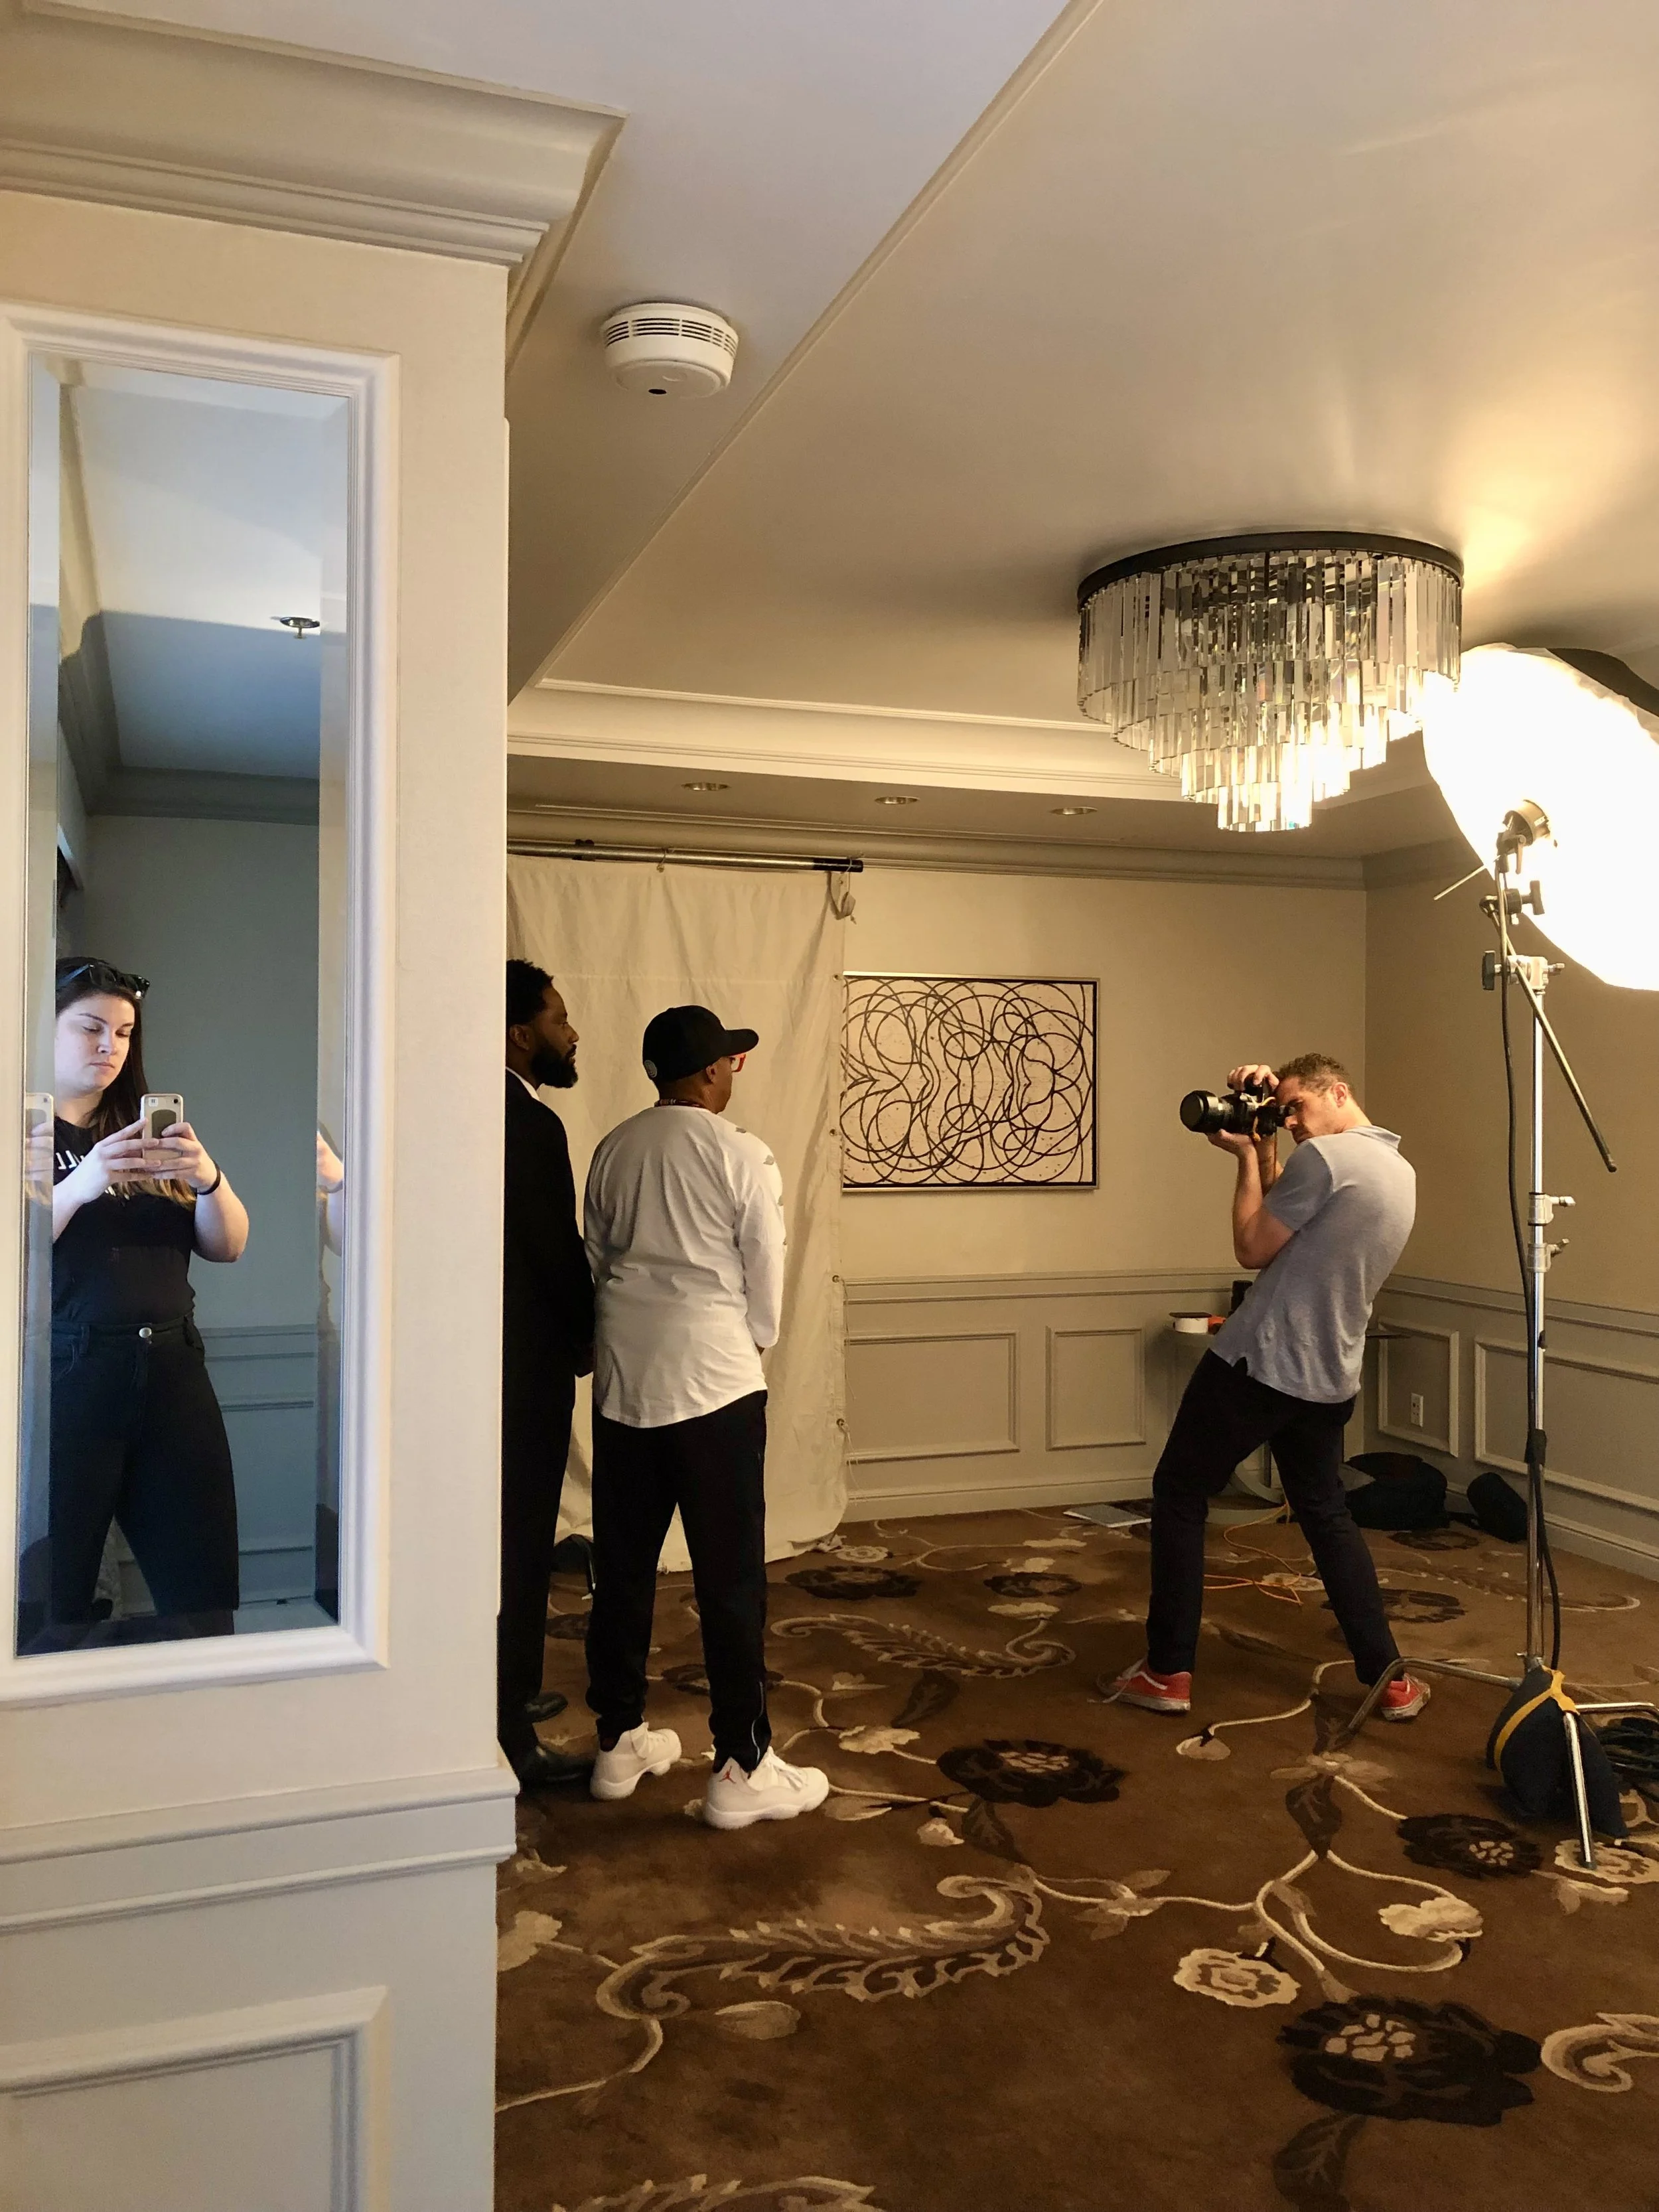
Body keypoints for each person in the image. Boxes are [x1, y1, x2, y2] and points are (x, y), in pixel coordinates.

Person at [1112, 1053, 1428, 1720]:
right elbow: (1295, 1215)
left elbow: (1255, 1248)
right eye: (1282, 1113)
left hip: (1257, 1365)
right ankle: (1390, 1681)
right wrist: (1260, 1148)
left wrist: (1240, 1160)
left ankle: (1167, 1672)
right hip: (1327, 1376)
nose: (1290, 1124)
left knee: (1178, 1494)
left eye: (1297, 1109)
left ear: (1337, 1091)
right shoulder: (1395, 1171)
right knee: (1326, 1517)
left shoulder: (1328, 1159)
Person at [581, 1004, 828, 1830]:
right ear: (712, 1072)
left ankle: (617, 1739)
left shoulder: (615, 1147)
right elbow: (765, 1259)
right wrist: (754, 1340)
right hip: (712, 1381)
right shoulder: (739, 1152)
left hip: (624, 1377)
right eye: (727, 1062)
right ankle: (741, 1763)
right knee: (729, 1576)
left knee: (622, 1566)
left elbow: (600, 1253)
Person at [40, 956, 249, 1639]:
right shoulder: (24, 1133)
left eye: (125, 1033)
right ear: (44, 1027)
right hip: (68, 1371)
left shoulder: (143, 1129)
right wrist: (83, 1181)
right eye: (91, 1028)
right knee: (53, 1595)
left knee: (205, 1590)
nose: (110, 1046)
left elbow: (228, 1247)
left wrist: (209, 1178)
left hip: (172, 1367)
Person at [500, 960, 595, 1789]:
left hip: (481, 1365)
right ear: (521, 1033)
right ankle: (511, 1735)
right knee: (521, 1543)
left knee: (504, 1541)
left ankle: (507, 1693)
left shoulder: (469, 1106)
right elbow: (554, 1253)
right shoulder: (529, 1125)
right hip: (523, 1368)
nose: (571, 1034)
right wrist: (587, 1340)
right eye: (559, 1019)